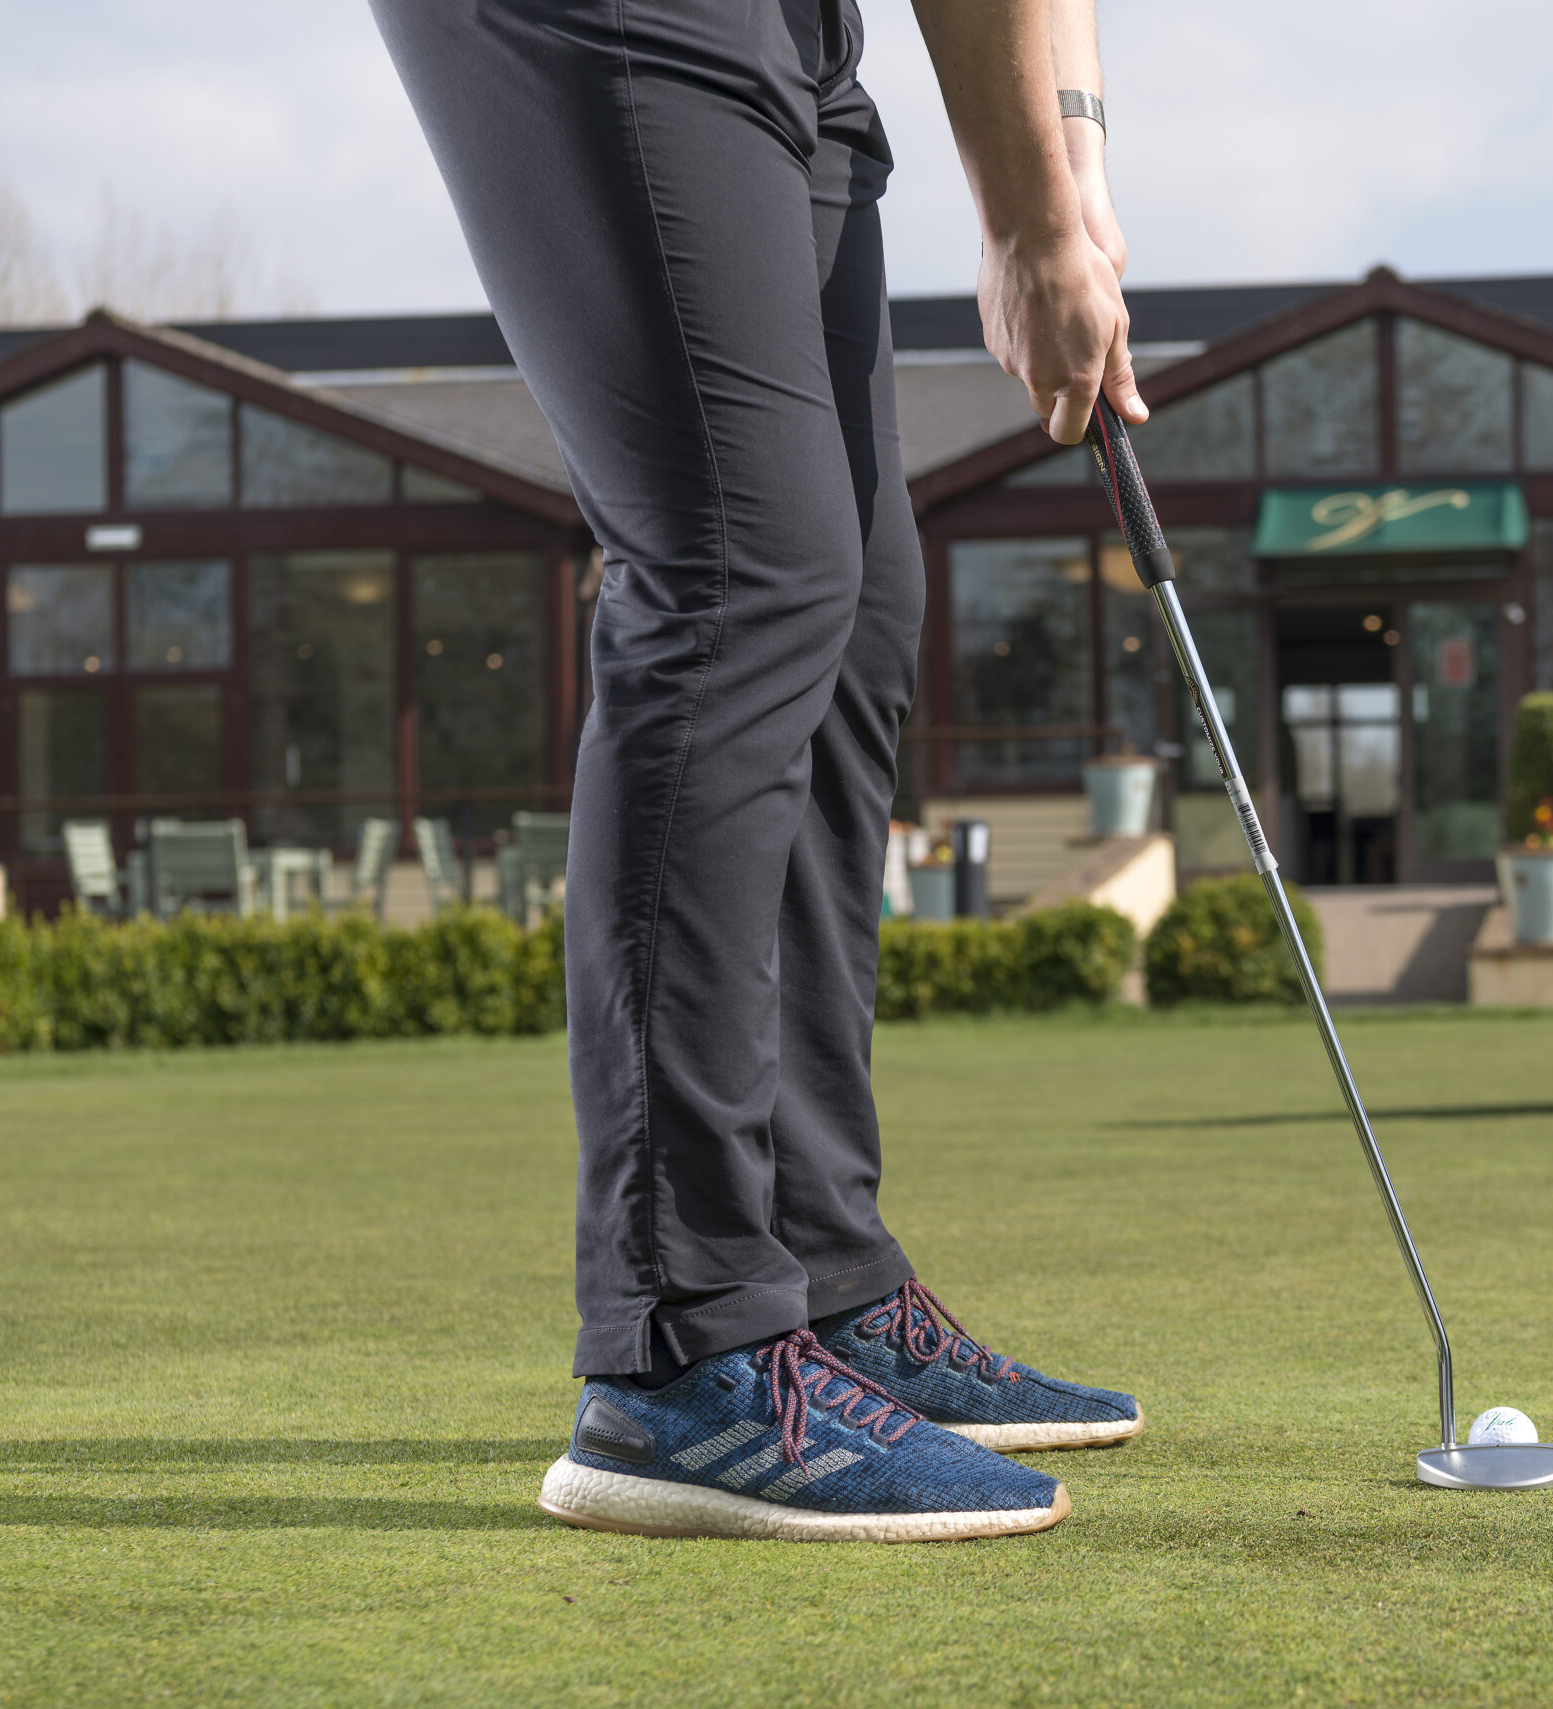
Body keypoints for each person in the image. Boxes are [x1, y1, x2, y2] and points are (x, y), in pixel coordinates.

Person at [369, 0, 1147, 1542]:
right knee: (741, 570)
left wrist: (1074, 180)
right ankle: (686, 1345)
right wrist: (1027, 224)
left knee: (854, 605)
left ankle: (821, 1277)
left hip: (788, 29)